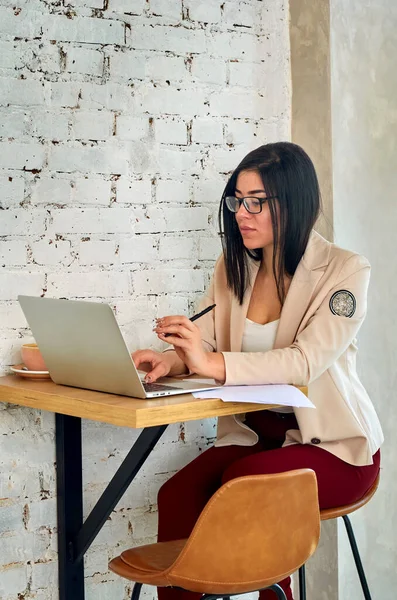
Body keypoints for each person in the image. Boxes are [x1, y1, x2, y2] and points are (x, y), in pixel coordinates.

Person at [132, 142, 383, 600]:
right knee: (177, 495)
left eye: (256, 202)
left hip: (334, 447)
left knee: (246, 484)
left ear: (293, 202)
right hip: (258, 438)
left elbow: (305, 361)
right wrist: (170, 358)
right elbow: (208, 335)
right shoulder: (233, 268)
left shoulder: (345, 271)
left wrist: (213, 364)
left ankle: (271, 593)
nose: (242, 213)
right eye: (237, 201)